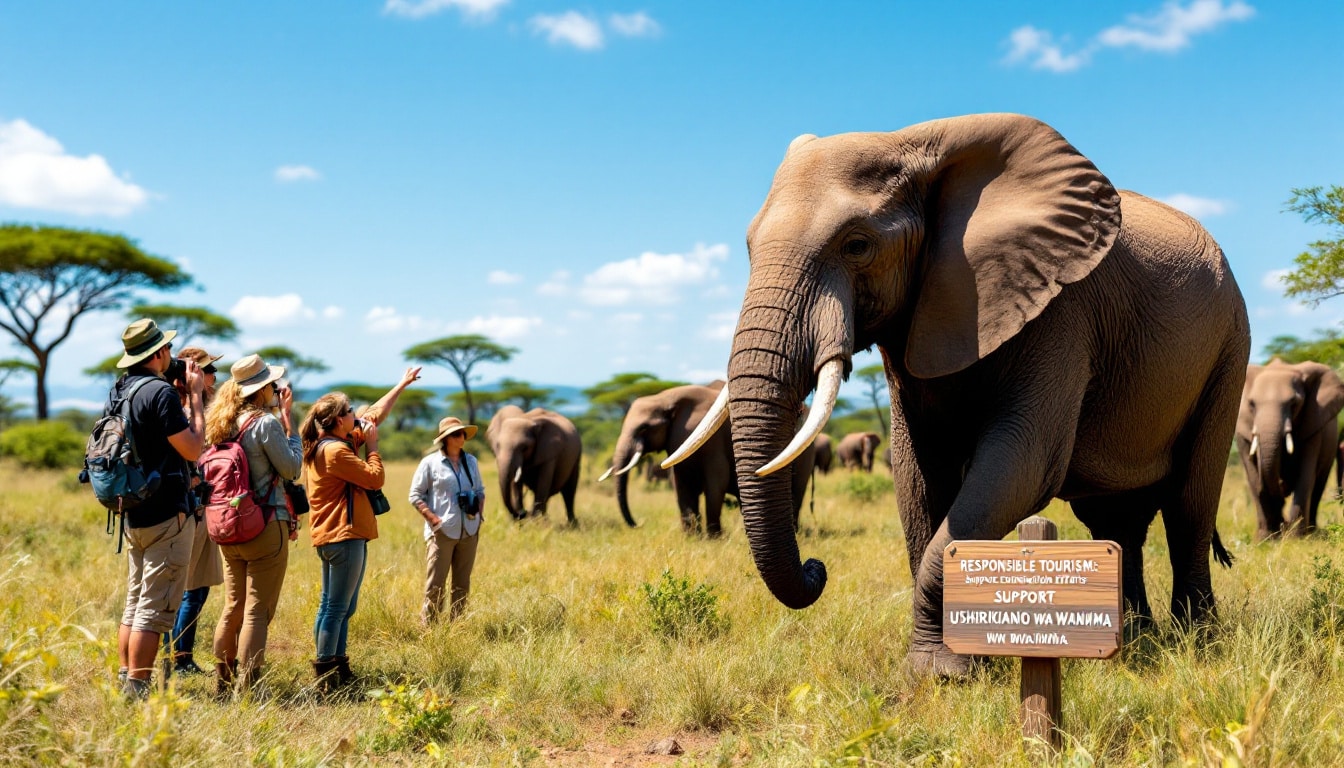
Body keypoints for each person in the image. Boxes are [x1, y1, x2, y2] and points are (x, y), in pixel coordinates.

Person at [301, 367, 421, 689]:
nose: (357, 414)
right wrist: (374, 447)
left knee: (335, 606)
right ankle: (328, 677)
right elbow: (374, 478)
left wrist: (402, 383)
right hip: (345, 535)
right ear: (339, 419)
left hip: (332, 536)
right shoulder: (337, 451)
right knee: (337, 607)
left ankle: (336, 667)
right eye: (350, 410)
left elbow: (374, 414)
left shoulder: (324, 443)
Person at [110, 318, 206, 699]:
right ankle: (138, 689)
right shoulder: (161, 394)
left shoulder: (121, 390)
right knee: (155, 605)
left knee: (135, 601)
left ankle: (125, 677)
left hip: (133, 509)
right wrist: (196, 397)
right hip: (168, 512)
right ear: (161, 353)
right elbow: (193, 448)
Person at [206, 353, 304, 693]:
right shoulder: (265, 423)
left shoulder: (221, 422)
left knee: (233, 605)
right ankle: (248, 688)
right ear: (262, 390)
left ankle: (223, 680)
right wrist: (290, 427)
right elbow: (291, 469)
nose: (276, 390)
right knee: (257, 611)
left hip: (227, 526)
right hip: (265, 523)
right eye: (272, 385)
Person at [163, 346, 224, 675]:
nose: (215, 375)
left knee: (192, 587)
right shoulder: (188, 409)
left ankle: (176, 655)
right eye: (210, 369)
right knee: (190, 588)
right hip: (194, 507)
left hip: (198, 505)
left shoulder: (188, 405)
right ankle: (179, 658)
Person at [410, 417, 486, 624]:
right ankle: (429, 627)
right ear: (445, 438)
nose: (460, 437)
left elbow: (480, 491)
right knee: (435, 584)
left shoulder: (471, 461)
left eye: (462, 433)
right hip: (441, 532)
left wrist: (478, 516)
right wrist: (433, 519)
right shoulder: (430, 463)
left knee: (462, 583)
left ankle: (457, 626)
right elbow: (415, 495)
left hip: (469, 530)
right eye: (455, 434)